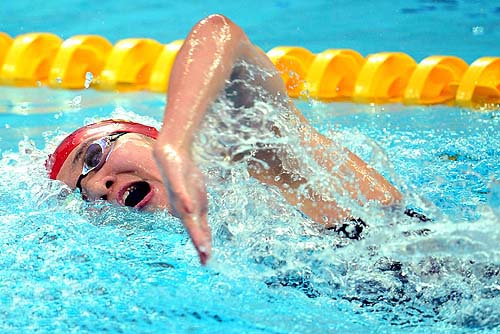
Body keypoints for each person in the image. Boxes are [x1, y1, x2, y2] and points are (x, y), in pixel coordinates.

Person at [45, 14, 402, 265]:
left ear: (148, 136)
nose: (96, 185)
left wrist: (176, 144)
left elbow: (218, 33)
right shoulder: (207, 251)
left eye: (93, 156)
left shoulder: (254, 150)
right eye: (81, 192)